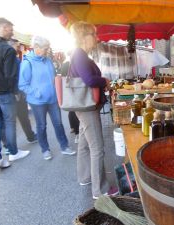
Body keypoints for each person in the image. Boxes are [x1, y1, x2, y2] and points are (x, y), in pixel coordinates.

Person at [70, 21, 118, 199]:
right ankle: (101, 190)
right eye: (94, 35)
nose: (97, 39)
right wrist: (104, 81)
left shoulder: (79, 55)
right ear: (84, 37)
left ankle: (85, 177)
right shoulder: (80, 56)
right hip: (87, 107)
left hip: (83, 105)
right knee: (97, 147)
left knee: (84, 143)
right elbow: (90, 80)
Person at [18, 36, 76, 160]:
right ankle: (45, 149)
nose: (47, 50)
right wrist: (36, 92)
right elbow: (22, 84)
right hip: (37, 101)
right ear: (36, 48)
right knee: (41, 126)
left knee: (58, 123)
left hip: (52, 99)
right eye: (45, 48)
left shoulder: (48, 60)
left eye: (48, 48)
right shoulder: (27, 63)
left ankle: (64, 146)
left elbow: (53, 77)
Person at [0, 18, 30, 168]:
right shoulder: (7, 49)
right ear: (4, 27)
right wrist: (15, 91)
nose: (12, 32)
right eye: (11, 29)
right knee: (9, 122)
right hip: (5, 93)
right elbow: (11, 75)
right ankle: (13, 152)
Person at [7, 38, 37, 144]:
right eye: (17, 46)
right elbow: (17, 76)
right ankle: (31, 137)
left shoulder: (3, 58)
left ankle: (9, 146)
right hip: (17, 92)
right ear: (11, 45)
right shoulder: (13, 59)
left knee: (9, 120)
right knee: (22, 117)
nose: (18, 48)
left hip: (6, 93)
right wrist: (17, 92)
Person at [60, 52, 80, 144]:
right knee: (75, 112)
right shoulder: (74, 63)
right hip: (75, 89)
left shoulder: (65, 64)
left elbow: (62, 78)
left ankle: (73, 128)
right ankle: (77, 133)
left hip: (68, 89)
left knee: (72, 111)